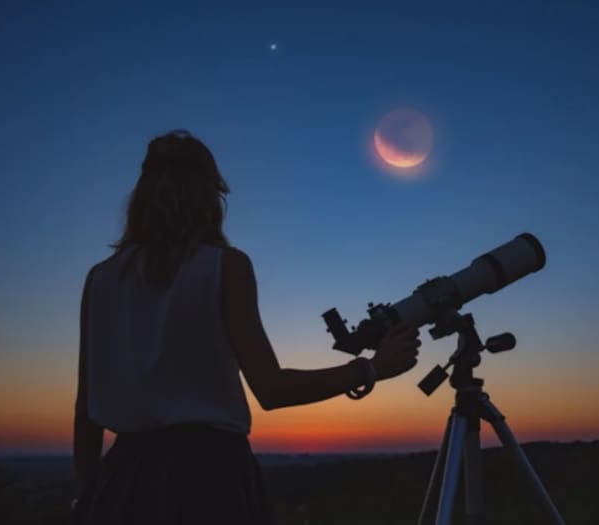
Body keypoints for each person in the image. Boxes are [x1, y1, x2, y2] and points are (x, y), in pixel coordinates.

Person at [72, 129, 421, 524]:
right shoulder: (225, 267)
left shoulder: (100, 278)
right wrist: (374, 368)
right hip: (210, 479)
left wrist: (87, 497)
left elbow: (87, 407)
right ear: (210, 197)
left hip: (122, 482)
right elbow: (272, 390)